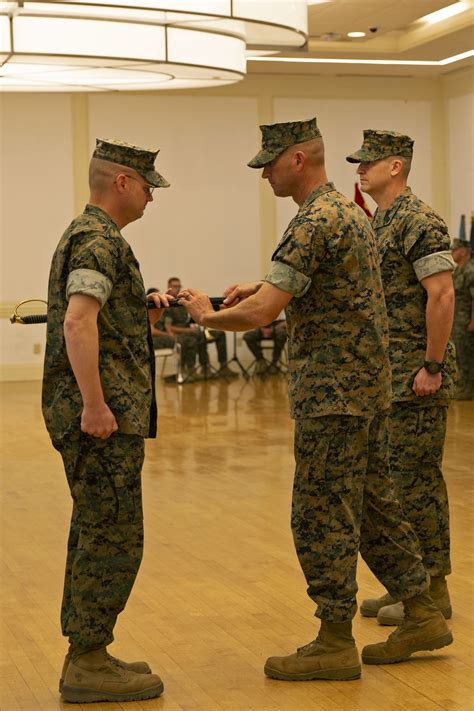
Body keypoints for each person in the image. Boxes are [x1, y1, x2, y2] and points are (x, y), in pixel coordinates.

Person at [176, 118, 452, 681]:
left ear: (298, 159)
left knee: (321, 513)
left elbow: (260, 315)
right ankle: (422, 609)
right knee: (375, 507)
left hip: (333, 396)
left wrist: (206, 315)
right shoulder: (348, 214)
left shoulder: (312, 222)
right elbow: (323, 288)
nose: (264, 175)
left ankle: (333, 639)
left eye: (269, 164)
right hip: (368, 390)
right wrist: (262, 286)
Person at [42, 138, 169, 703]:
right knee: (111, 534)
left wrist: (140, 305)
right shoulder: (97, 240)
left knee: (100, 528)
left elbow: (96, 313)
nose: (150, 197)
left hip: (103, 414)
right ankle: (87, 659)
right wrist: (95, 404)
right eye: (146, 186)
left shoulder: (93, 236)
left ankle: (90, 648)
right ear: (122, 181)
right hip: (101, 418)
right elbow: (77, 322)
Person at [346, 130, 456, 626]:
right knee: (395, 483)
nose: (360, 170)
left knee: (416, 484)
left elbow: (442, 295)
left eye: (368, 162)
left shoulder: (418, 220)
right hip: (392, 378)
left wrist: (431, 366)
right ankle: (408, 587)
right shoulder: (384, 221)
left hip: (417, 376)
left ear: (395, 166)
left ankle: (434, 592)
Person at [165, 277, 238, 379]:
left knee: (220, 334)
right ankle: (202, 367)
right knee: (198, 336)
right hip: (182, 335)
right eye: (174, 286)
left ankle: (223, 366)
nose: (177, 289)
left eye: (179, 286)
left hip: (192, 331)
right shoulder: (167, 305)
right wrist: (188, 330)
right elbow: (170, 328)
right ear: (169, 288)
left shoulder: (182, 302)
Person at [451, 235, 474, 400]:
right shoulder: (457, 269)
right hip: (457, 320)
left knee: (467, 355)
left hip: (466, 320)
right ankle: (463, 383)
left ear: (464, 251)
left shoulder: (470, 270)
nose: (452, 252)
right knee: (459, 353)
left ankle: (469, 388)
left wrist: (473, 321)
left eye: (455, 249)